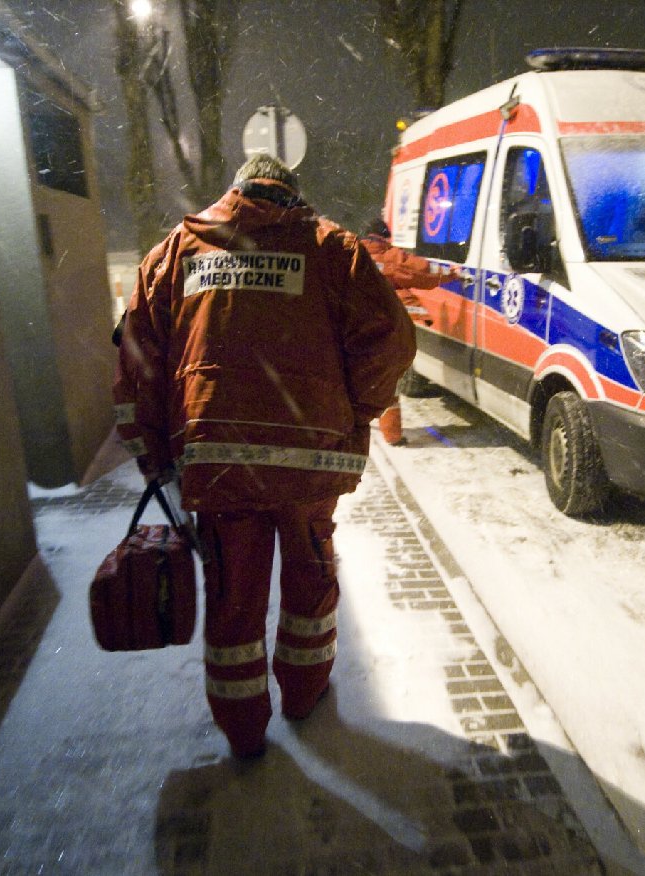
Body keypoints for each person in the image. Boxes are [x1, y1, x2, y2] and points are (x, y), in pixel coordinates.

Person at [113, 154, 415, 758]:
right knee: (310, 583)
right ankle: (304, 695)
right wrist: (354, 411)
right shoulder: (334, 250)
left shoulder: (176, 253)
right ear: (291, 195)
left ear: (236, 191)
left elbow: (136, 360)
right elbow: (391, 340)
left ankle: (242, 726)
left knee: (233, 594)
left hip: (218, 464)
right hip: (311, 464)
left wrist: (149, 447)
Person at [358, 217, 456, 445]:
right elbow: (423, 269)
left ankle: (348, 428)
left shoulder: (349, 253)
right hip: (383, 329)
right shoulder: (390, 256)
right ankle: (392, 435)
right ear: (383, 237)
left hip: (354, 328)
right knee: (387, 383)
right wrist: (451, 272)